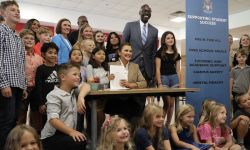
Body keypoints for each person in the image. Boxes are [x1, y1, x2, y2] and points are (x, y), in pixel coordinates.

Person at [41, 63, 90, 150]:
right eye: (75, 74)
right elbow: (53, 120)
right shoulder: (54, 95)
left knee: (82, 139)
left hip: (66, 133)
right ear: (63, 77)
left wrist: (81, 97)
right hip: (52, 136)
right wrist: (72, 132)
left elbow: (87, 85)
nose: (78, 77)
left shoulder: (73, 91)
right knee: (80, 141)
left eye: (79, 75)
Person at [0, 1, 26, 149]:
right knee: (6, 121)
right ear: (3, 13)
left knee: (14, 121)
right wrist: (3, 84)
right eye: (12, 10)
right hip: (6, 85)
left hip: (17, 85)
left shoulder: (17, 37)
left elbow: (22, 64)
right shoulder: (1, 31)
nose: (17, 12)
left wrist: (23, 86)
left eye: (18, 10)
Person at [105, 43, 147, 134]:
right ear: (119, 52)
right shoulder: (111, 65)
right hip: (116, 99)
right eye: (126, 50)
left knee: (137, 108)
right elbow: (103, 84)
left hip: (132, 100)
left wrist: (131, 85)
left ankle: (132, 137)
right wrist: (107, 79)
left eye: (130, 51)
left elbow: (144, 83)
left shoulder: (135, 66)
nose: (129, 53)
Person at [122, 4, 158, 87]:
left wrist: (153, 72)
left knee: (143, 94)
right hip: (131, 63)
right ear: (139, 12)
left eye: (149, 12)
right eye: (144, 11)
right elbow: (123, 45)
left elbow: (153, 52)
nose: (147, 13)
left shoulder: (154, 30)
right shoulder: (130, 26)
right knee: (130, 92)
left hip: (147, 68)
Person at [155, 31, 182, 126]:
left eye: (172, 38)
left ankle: (167, 124)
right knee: (167, 103)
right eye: (168, 38)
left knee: (172, 104)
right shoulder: (159, 53)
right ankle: (159, 123)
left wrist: (180, 83)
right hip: (164, 78)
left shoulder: (176, 54)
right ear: (164, 40)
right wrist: (159, 83)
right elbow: (157, 69)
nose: (170, 39)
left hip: (174, 78)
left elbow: (178, 70)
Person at [33, 42, 59, 133]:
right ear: (43, 54)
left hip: (58, 101)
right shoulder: (41, 69)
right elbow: (38, 87)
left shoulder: (60, 68)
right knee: (47, 124)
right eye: (50, 52)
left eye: (55, 53)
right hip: (46, 103)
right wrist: (41, 103)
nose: (53, 55)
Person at [86, 47, 114, 134]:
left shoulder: (107, 67)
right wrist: (106, 79)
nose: (102, 55)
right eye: (99, 53)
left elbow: (109, 83)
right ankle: (94, 140)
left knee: (107, 120)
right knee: (99, 118)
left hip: (106, 96)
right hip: (95, 97)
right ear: (93, 56)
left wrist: (100, 81)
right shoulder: (90, 66)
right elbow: (91, 84)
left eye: (103, 54)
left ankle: (101, 139)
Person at [18, 29, 43, 124]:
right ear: (20, 40)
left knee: (36, 115)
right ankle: (19, 136)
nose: (29, 40)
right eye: (26, 38)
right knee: (21, 114)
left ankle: (34, 135)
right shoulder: (17, 55)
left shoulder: (39, 58)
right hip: (22, 88)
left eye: (32, 39)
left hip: (35, 89)